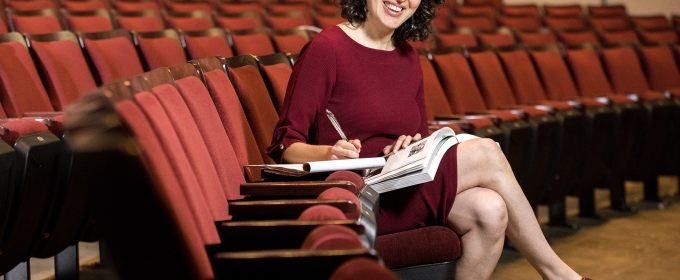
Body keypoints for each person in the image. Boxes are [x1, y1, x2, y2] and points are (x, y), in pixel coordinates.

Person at [264, 0, 591, 279]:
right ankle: (558, 273)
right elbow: (284, 148)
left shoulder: (407, 56)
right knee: (488, 152)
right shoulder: (326, 48)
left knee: (490, 211)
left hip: (400, 185)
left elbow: (419, 134)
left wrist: (407, 145)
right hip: (357, 194)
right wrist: (327, 152)